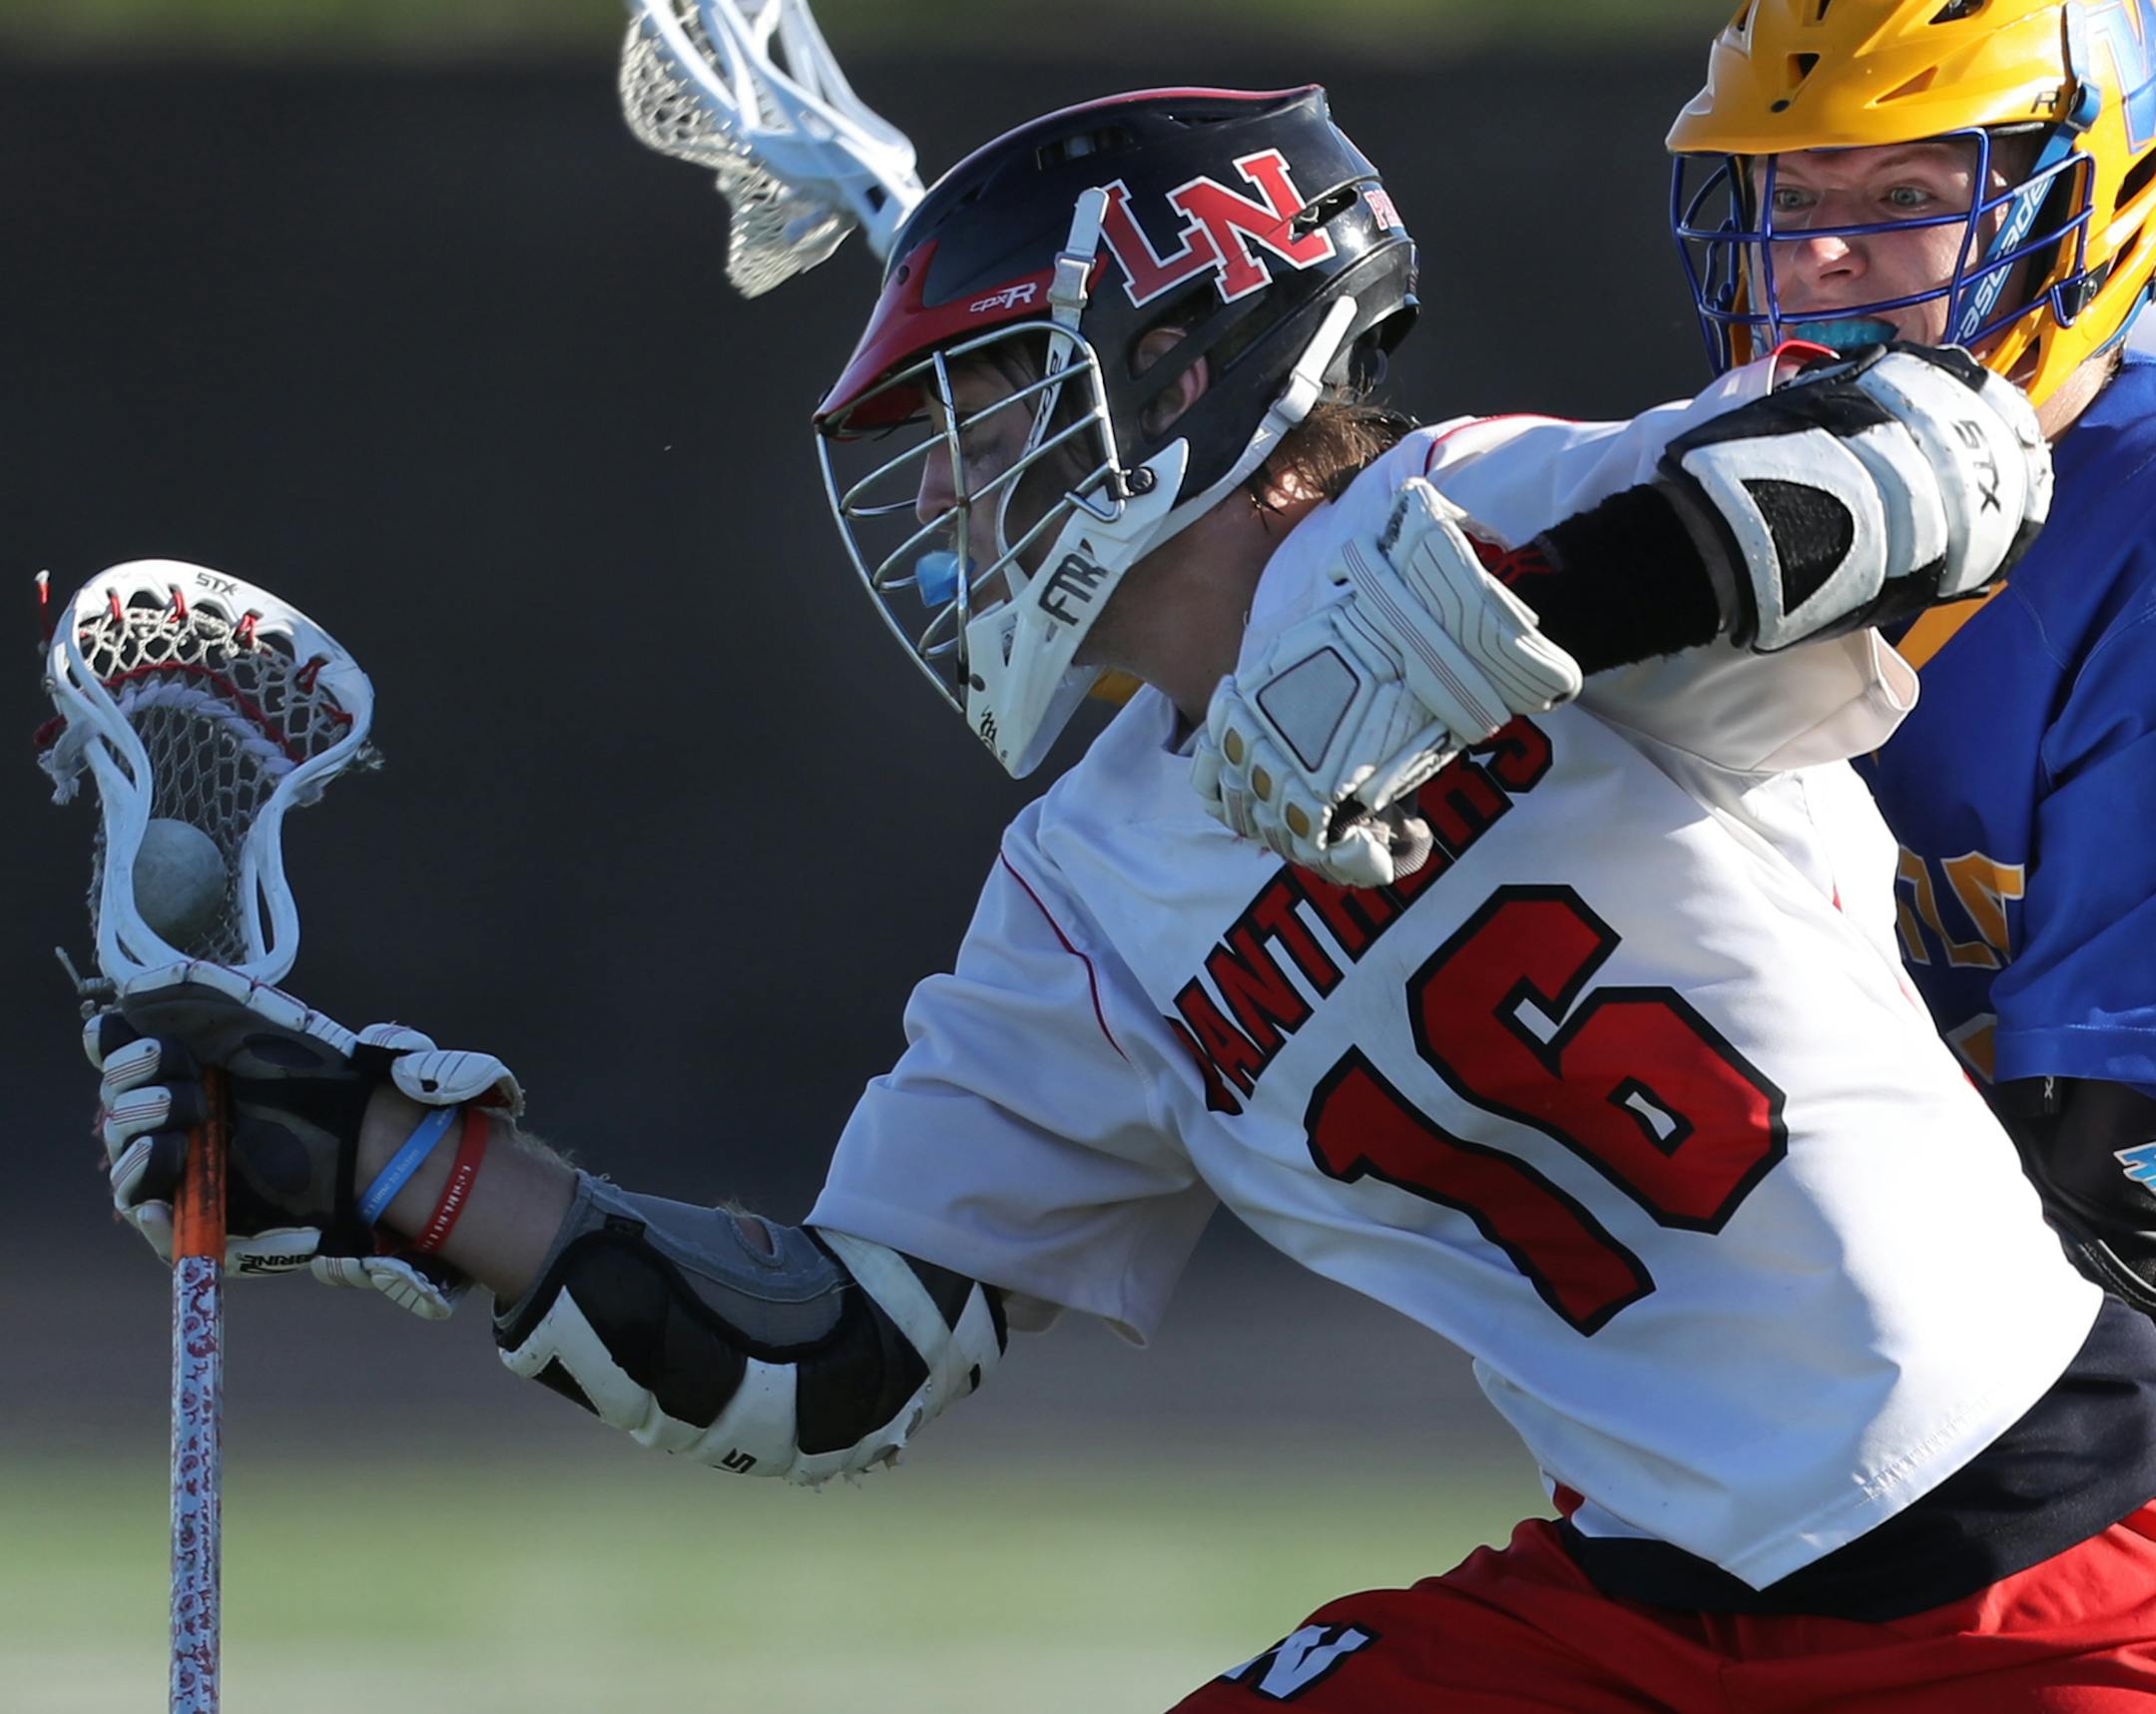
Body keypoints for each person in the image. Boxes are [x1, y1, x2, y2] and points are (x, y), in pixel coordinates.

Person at [88, 87, 2156, 1710]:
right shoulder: (1081, 892)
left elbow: (1950, 448)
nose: (946, 495)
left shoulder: (1466, 510)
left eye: (988, 417)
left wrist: (1505, 620)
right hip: (1637, 1604)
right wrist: (395, 1169)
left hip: (2041, 1552)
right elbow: (832, 1351)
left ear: (1181, 378)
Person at [1215, 0, 2156, 1320]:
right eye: (1791, 192)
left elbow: (2119, 1165)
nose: (1815, 254)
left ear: (2092, 215)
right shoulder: (1708, 493)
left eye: (1903, 193)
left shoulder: (2133, 522)